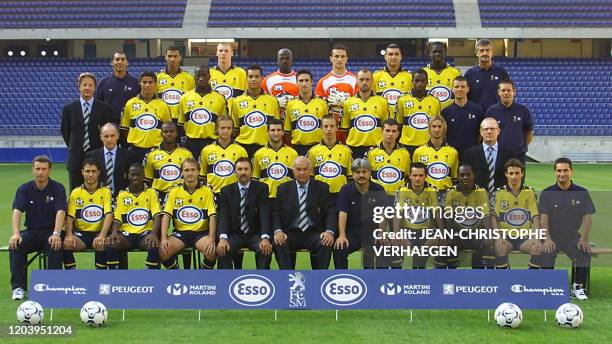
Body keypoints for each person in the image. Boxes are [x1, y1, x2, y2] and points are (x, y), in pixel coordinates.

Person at [9, 156, 66, 300]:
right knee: (16, 245)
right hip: (32, 232)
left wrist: (56, 233)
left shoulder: (58, 188)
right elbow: (17, 211)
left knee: (55, 244)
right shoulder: (24, 188)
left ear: (49, 170)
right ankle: (18, 287)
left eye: (44, 169)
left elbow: (61, 211)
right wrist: (16, 234)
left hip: (51, 232)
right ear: (33, 169)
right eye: (38, 169)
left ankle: (53, 286)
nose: (40, 172)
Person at [537, 158, 595, 300]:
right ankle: (548, 287)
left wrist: (584, 239)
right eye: (559, 170)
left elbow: (587, 217)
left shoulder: (582, 192)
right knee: (546, 252)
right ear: (555, 172)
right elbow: (543, 219)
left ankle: (578, 287)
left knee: (584, 251)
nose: (562, 174)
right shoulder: (547, 193)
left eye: (565, 170)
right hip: (552, 235)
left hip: (572, 235)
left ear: (571, 171)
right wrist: (547, 239)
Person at [272, 157, 336, 269]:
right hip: (291, 233)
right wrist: (278, 231)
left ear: (311, 170)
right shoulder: (283, 189)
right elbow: (276, 213)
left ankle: (320, 278)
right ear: (293, 170)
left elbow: (330, 211)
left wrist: (329, 231)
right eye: (298, 169)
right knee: (278, 242)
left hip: (315, 233)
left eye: (305, 169)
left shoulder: (322, 187)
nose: (302, 172)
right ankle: (287, 277)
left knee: (326, 242)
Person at [158, 159, 217, 269]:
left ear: (198, 172)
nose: (190, 173)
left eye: (193, 170)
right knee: (163, 251)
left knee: (212, 252)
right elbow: (166, 216)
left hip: (201, 233)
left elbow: (213, 216)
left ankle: (201, 278)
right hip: (181, 233)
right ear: (181, 172)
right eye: (186, 170)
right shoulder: (174, 191)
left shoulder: (207, 190)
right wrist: (164, 238)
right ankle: (179, 276)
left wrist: (211, 239)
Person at [61, 72, 115, 190]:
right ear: (79, 87)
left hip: (97, 156)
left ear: (94, 87)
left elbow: (108, 130)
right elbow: (65, 131)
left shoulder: (104, 108)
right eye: (84, 85)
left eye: (90, 85)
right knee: (75, 193)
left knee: (98, 192)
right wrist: (74, 146)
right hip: (75, 158)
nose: (87, 88)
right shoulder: (69, 108)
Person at [217, 157, 272, 269]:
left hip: (255, 234)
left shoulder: (262, 188)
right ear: (235, 172)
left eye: (246, 169)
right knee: (223, 250)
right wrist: (223, 238)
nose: (243, 172)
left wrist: (265, 237)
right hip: (235, 234)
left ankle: (263, 282)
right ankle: (226, 283)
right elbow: (224, 216)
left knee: (265, 250)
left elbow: (264, 213)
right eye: (240, 169)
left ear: (251, 171)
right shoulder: (226, 191)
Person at [105, 164, 161, 269]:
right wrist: (114, 232)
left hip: (145, 234)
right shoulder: (122, 195)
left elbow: (157, 216)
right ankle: (114, 279)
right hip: (126, 235)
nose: (135, 177)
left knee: (153, 244)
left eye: (138, 175)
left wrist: (154, 234)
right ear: (127, 176)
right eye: (133, 174)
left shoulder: (151, 193)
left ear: (144, 176)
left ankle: (152, 279)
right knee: (112, 243)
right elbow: (117, 219)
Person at [439, 163, 495, 269]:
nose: (465, 177)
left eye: (468, 174)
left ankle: (483, 276)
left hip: (476, 234)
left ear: (474, 176)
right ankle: (451, 275)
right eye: (462, 175)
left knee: (489, 245)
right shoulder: (451, 193)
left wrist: (488, 234)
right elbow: (448, 216)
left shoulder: (481, 192)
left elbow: (486, 216)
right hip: (458, 234)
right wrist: (450, 235)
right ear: (458, 176)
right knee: (448, 245)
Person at [334, 158, 388, 269]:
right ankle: (342, 277)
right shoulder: (345, 189)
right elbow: (342, 213)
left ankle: (380, 279)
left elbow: (382, 214)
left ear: (370, 173)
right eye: (357, 172)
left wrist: (381, 233)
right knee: (340, 247)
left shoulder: (378, 189)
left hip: (373, 232)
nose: (361, 175)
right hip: (352, 233)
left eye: (364, 172)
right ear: (352, 174)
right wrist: (342, 235)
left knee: (383, 246)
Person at [491, 159, 542, 269]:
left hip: (524, 237)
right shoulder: (498, 193)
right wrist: (498, 238)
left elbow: (536, 217)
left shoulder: (530, 192)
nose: (514, 176)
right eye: (511, 173)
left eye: (517, 173)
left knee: (537, 247)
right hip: (506, 236)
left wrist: (537, 237)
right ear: (506, 174)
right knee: (500, 248)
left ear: (522, 174)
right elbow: (493, 218)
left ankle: (529, 281)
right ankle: (506, 280)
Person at [63, 159, 113, 270]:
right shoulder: (75, 193)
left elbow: (109, 215)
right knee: (66, 244)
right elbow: (70, 217)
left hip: (99, 232)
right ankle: (72, 276)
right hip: (81, 234)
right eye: (87, 171)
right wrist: (69, 235)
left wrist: (102, 235)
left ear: (98, 173)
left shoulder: (105, 191)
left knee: (101, 244)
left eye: (93, 171)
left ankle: (100, 277)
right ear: (82, 172)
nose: (90, 174)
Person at [393, 162, 441, 269]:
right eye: (414, 175)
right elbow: (397, 213)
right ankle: (397, 275)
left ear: (426, 176)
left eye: (421, 175)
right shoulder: (402, 190)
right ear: (409, 175)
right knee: (395, 246)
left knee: (428, 251)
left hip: (427, 231)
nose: (417, 178)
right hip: (408, 230)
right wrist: (396, 234)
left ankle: (423, 275)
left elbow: (438, 214)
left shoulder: (432, 190)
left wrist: (442, 233)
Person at [120, 71, 172, 163]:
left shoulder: (163, 105)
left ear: (155, 84)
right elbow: (125, 129)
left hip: (156, 151)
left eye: (150, 82)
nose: (147, 85)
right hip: (135, 150)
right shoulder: (130, 104)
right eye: (144, 82)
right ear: (140, 83)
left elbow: (168, 130)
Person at [231, 65, 280, 158]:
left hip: (265, 146)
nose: (254, 79)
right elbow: (235, 129)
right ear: (246, 78)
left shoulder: (272, 101)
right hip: (243, 145)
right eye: (250, 76)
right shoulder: (237, 101)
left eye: (257, 76)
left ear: (262, 78)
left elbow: (276, 126)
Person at [178, 65, 227, 159]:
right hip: (191, 143)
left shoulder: (220, 98)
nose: (201, 78)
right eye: (198, 75)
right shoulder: (185, 98)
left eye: (204, 75)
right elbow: (181, 124)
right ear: (194, 77)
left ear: (209, 77)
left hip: (211, 142)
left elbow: (223, 123)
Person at [341, 68, 389, 159]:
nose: (364, 82)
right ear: (357, 81)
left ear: (372, 81)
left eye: (367, 79)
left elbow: (386, 127)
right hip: (354, 148)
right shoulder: (348, 103)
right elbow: (344, 129)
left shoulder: (382, 102)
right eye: (361, 79)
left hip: (376, 148)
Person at [461, 117, 516, 194]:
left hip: (503, 198)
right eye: (486, 129)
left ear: (498, 131)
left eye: (492, 129)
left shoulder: (510, 154)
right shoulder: (469, 154)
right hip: (477, 198)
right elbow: (465, 178)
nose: (489, 131)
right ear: (481, 132)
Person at [315, 44, 357, 142]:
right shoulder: (323, 82)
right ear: (331, 58)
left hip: (350, 128)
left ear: (346, 59)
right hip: (330, 129)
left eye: (342, 56)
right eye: (336, 56)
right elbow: (319, 108)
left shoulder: (355, 80)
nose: (339, 59)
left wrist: (347, 103)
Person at [395, 68, 441, 156]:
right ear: (412, 81)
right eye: (417, 80)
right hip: (407, 145)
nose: (420, 83)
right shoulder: (402, 100)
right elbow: (399, 124)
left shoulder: (435, 101)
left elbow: (437, 125)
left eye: (423, 81)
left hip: (428, 145)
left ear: (427, 82)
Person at [143, 121, 193, 201]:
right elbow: (148, 180)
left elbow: (192, 178)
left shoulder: (186, 154)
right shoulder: (151, 155)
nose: (169, 134)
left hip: (180, 195)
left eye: (172, 131)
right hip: (158, 196)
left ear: (176, 133)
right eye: (165, 131)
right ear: (161, 133)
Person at [486, 79, 534, 163]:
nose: (506, 93)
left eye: (508, 90)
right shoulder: (491, 111)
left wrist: (521, 147)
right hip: (497, 155)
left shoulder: (523, 110)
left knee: (517, 176)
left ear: (514, 92)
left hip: (518, 156)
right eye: (503, 90)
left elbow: (529, 133)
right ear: (498, 92)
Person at [85, 122, 138, 197]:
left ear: (118, 136)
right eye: (106, 136)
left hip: (122, 198)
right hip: (98, 198)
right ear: (101, 137)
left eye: (112, 136)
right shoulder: (91, 156)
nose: (109, 139)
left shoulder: (129, 156)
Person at [200, 115, 248, 195]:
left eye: (229, 128)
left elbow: (246, 176)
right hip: (214, 193)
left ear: (232, 130)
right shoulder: (207, 150)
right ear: (216, 129)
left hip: (235, 194)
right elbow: (202, 176)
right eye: (222, 128)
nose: (225, 131)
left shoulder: (241, 151)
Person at [284, 69, 329, 156]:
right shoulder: (290, 104)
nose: (304, 83)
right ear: (297, 83)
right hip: (298, 148)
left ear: (311, 82)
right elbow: (287, 132)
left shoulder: (323, 103)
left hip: (319, 148)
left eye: (306, 80)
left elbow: (328, 127)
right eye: (301, 81)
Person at [307, 114, 352, 196]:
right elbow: (310, 177)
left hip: (340, 194)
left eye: (332, 126)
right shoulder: (313, 151)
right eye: (326, 126)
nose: (328, 129)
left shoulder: (346, 151)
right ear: (321, 128)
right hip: (320, 195)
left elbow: (350, 177)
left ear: (337, 128)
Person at [253, 119, 298, 199]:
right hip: (266, 198)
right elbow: (255, 180)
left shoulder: (293, 153)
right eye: (273, 130)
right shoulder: (259, 154)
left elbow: (296, 179)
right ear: (267, 132)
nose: (276, 133)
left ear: (283, 132)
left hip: (287, 198)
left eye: (279, 130)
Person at [441, 76, 484, 157]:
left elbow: (481, 133)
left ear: (467, 89)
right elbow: (443, 135)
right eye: (456, 87)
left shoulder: (477, 110)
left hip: (473, 154)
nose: (459, 89)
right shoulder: (445, 112)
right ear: (452, 89)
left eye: (463, 87)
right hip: (452, 154)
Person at [413, 115, 458, 191]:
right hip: (425, 194)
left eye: (439, 126)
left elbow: (454, 178)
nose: (437, 129)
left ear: (444, 129)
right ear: (429, 129)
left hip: (445, 194)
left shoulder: (453, 152)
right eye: (434, 126)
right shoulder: (419, 152)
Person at [366, 118, 411, 195]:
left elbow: (407, 177)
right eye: (387, 130)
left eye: (394, 131)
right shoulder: (371, 153)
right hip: (377, 196)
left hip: (398, 197)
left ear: (398, 133)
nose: (390, 134)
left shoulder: (405, 154)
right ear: (381, 131)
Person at [465, 39, 510, 110]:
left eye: (487, 50)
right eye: (482, 50)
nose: (485, 53)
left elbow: (508, 92)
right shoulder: (469, 74)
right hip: (476, 115)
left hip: (497, 113)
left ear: (492, 52)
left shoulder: (501, 71)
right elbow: (466, 97)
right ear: (477, 53)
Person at [95, 51, 140, 121]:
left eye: (122, 59)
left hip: (130, 124)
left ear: (127, 62)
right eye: (117, 59)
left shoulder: (136, 83)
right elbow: (97, 106)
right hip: (109, 124)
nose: (120, 62)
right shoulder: (103, 83)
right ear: (112, 62)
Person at [157, 46, 195, 124]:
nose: (172, 59)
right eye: (169, 56)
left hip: (182, 120)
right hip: (163, 120)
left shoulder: (190, 78)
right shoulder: (158, 78)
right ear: (165, 57)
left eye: (175, 56)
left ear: (180, 57)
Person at [373, 43, 412, 116]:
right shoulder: (375, 76)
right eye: (390, 54)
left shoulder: (410, 77)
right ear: (385, 57)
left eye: (396, 54)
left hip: (402, 119)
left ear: (401, 57)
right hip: (383, 121)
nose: (393, 57)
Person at [423, 41, 461, 109]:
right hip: (430, 113)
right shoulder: (423, 72)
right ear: (429, 53)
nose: (437, 54)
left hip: (450, 112)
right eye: (434, 51)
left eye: (440, 51)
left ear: (445, 53)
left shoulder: (455, 72)